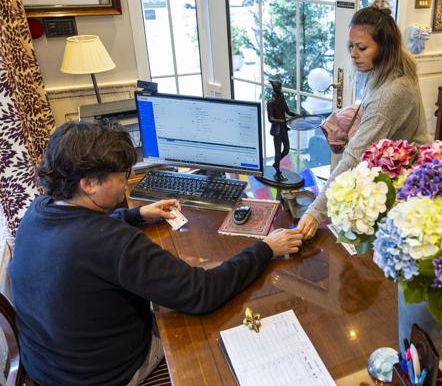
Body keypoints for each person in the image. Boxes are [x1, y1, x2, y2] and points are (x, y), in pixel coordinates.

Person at [10, 121, 303, 386]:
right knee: (215, 326)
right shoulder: (114, 243)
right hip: (106, 375)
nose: (127, 182)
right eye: (122, 174)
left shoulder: (39, 211)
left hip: (49, 367)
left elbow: (83, 236)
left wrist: (135, 214)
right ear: (88, 184)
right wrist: (265, 248)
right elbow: (202, 293)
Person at [297, 0, 432, 239]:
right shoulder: (390, 67)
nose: (353, 54)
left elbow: (353, 157)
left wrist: (315, 212)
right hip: (396, 167)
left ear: (384, 47)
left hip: (407, 186)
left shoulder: (392, 91)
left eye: (361, 47)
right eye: (351, 46)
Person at [267, 80, 297, 181]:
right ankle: (278, 171)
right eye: (278, 88)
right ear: (274, 89)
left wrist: (298, 115)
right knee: (278, 152)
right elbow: (270, 118)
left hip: (284, 128)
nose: (279, 90)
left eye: (280, 88)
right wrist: (282, 120)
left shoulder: (282, 99)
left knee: (287, 149)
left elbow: (288, 111)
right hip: (277, 130)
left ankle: (276, 164)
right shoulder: (270, 102)